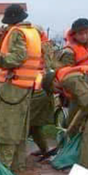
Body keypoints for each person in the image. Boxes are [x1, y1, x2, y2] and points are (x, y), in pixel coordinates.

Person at [0, 4, 44, 172]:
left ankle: (2, 169)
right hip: (23, 87)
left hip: (11, 88)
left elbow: (17, 57)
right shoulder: (33, 32)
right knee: (18, 128)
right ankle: (17, 166)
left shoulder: (17, 33)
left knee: (6, 128)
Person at [56, 18, 88, 168]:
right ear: (74, 35)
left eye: (85, 32)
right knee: (75, 125)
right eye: (80, 34)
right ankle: (69, 155)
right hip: (80, 94)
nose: (83, 36)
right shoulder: (69, 51)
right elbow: (66, 76)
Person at [28, 27, 56, 156]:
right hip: (38, 90)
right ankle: (44, 149)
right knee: (35, 125)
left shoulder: (42, 48)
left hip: (39, 92)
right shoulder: (45, 47)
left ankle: (17, 153)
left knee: (28, 123)